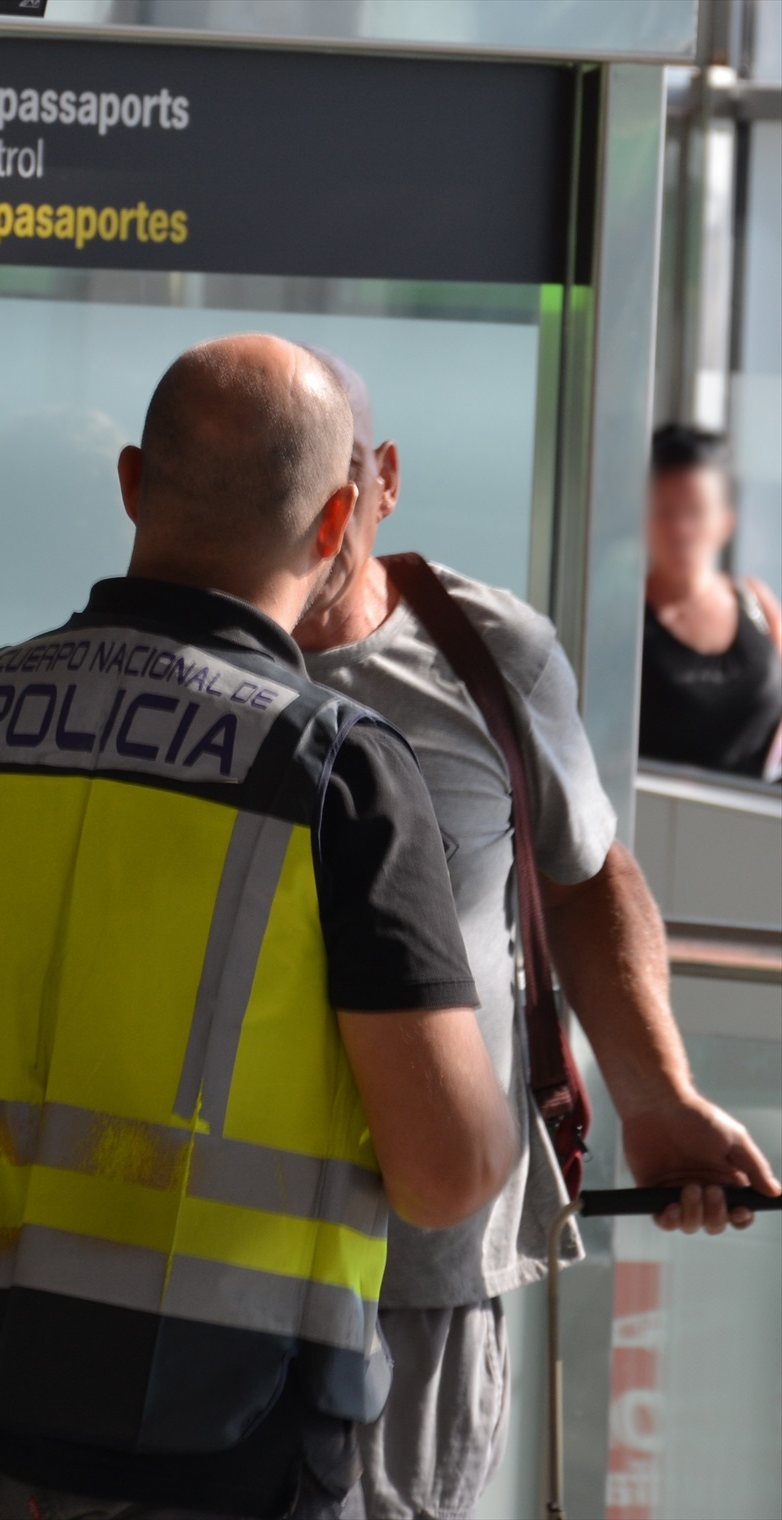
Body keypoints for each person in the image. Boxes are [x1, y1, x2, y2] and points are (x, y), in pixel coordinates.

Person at [0, 334, 519, 1520]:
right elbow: (446, 1171)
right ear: (344, 513)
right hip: (211, 1447)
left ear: (132, 483)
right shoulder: (331, 767)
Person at [289, 357, 781, 1519]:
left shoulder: (484, 647)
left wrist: (656, 1095)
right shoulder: (190, 659)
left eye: (337, 488)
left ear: (383, 482)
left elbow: (588, 881)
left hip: (425, 1280)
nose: (315, 531)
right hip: (206, 1265)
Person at [639, 423, 782, 782]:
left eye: (696, 511)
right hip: (660, 822)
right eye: (666, 511)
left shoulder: (756, 601)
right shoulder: (622, 618)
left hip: (754, 819)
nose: (681, 529)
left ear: (726, 521)